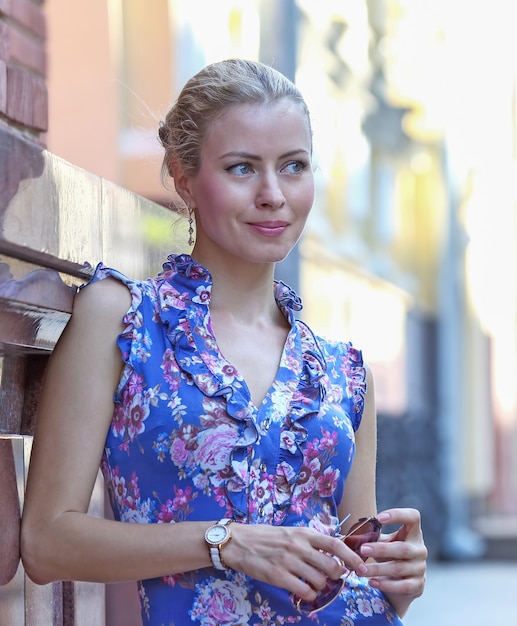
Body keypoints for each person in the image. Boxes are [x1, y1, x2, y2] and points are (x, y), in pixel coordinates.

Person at [20, 58, 427, 625]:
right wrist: (224, 541)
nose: (272, 194)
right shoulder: (124, 320)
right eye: (242, 169)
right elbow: (45, 542)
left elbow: (354, 572)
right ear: (183, 177)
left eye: (293, 167)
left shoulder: (344, 372)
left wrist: (398, 581)